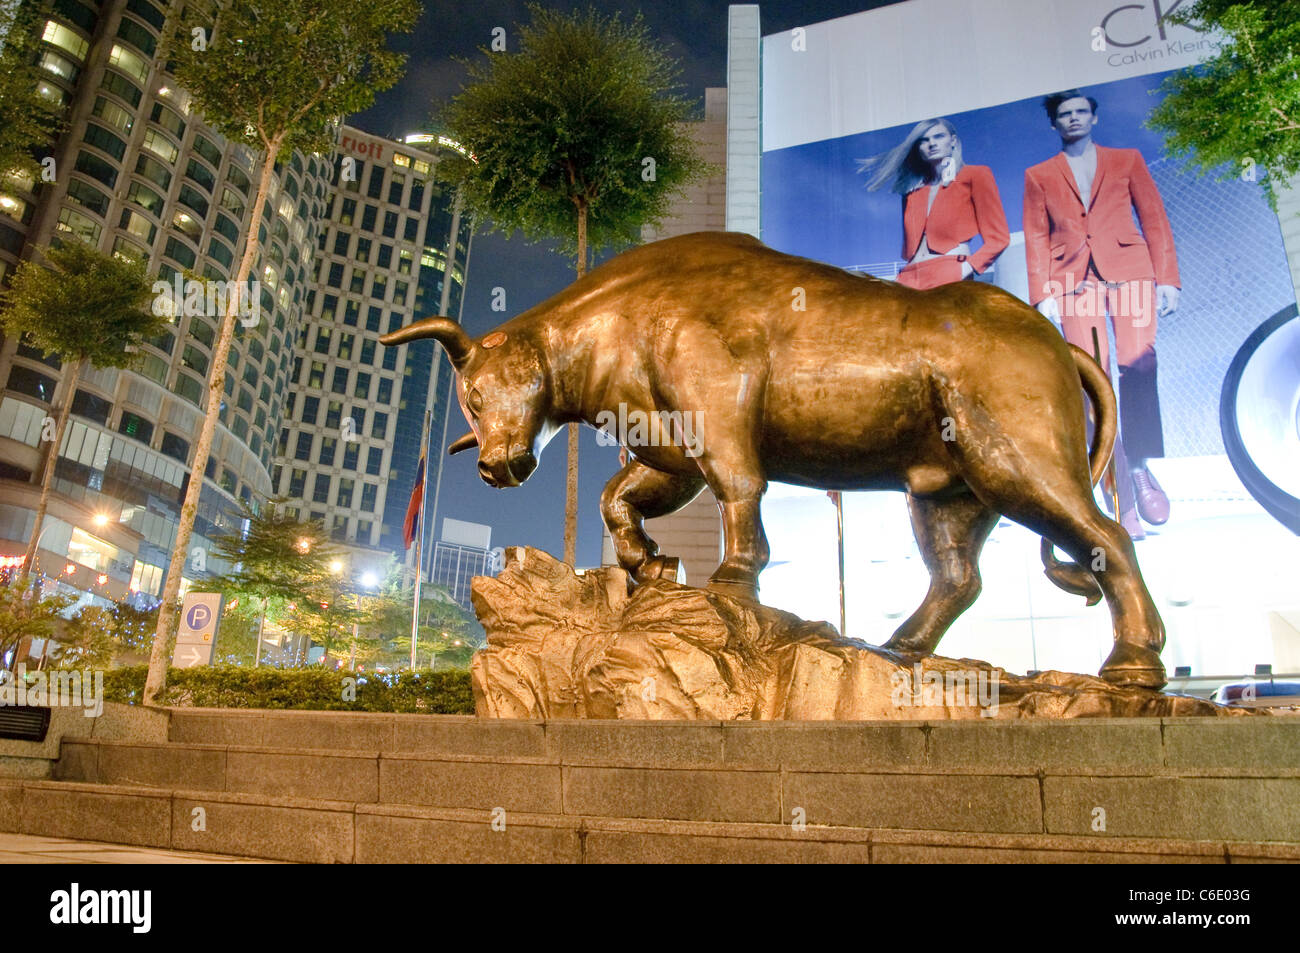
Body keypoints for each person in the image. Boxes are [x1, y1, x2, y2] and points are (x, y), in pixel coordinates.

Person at [1023, 89, 1180, 539]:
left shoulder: (1126, 160)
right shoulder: (1039, 175)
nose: (1072, 118)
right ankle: (1120, 496)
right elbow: (1035, 235)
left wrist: (1167, 278)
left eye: (1079, 111)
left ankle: (1142, 469)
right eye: (1063, 114)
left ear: (1093, 117)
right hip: (1074, 283)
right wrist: (1043, 294)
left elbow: (1154, 218)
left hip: (1130, 273)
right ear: (1054, 124)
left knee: (1138, 365)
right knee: (1094, 381)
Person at [859, 117, 1009, 289]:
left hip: (951, 271)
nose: (932, 144)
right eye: (924, 140)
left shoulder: (975, 175)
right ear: (918, 148)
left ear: (952, 141)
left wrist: (966, 268)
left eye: (939, 137)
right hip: (907, 278)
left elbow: (999, 238)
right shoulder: (910, 191)